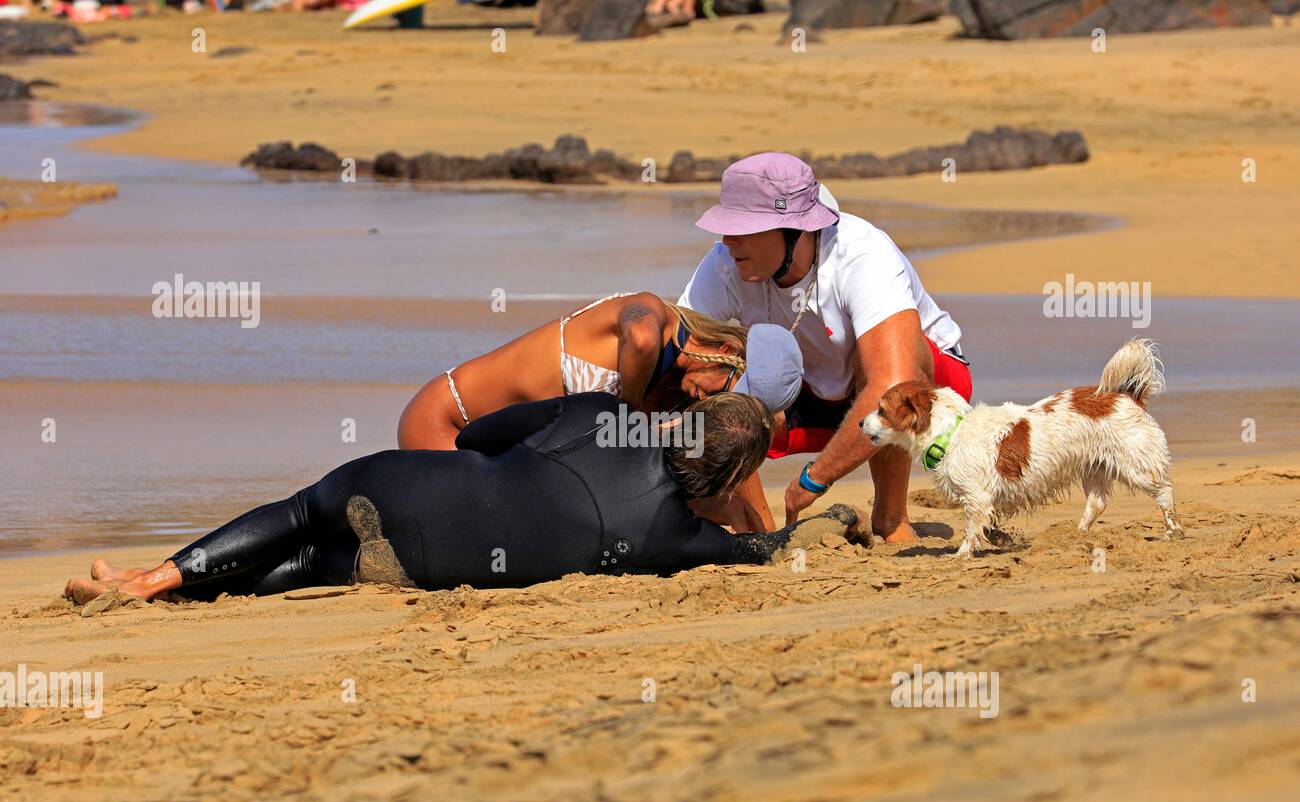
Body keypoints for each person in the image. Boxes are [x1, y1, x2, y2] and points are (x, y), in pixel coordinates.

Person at [65, 392, 860, 607]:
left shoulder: (600, 416)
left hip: (401, 485)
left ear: (684, 418)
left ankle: (153, 580)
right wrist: (829, 521)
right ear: (725, 479)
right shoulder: (671, 540)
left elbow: (480, 434)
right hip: (416, 567)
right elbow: (760, 551)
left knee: (304, 513)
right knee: (313, 563)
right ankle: (169, 598)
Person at [678, 152, 974, 542]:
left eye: (743, 228)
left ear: (795, 229)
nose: (728, 240)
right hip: (820, 398)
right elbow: (680, 359)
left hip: (928, 398)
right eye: (727, 225)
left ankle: (891, 519)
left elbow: (893, 382)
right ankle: (759, 529)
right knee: (710, 377)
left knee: (888, 372)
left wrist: (814, 480)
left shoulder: (861, 254)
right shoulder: (724, 265)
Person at [398, 291, 804, 531]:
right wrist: (626, 418)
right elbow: (640, 338)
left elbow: (730, 458)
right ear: (728, 350)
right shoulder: (653, 316)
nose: (714, 405)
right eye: (730, 390)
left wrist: (759, 529)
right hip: (446, 424)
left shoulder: (682, 396)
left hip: (505, 468)